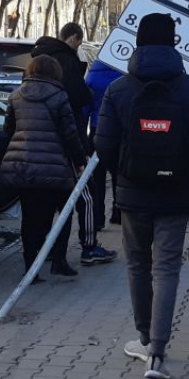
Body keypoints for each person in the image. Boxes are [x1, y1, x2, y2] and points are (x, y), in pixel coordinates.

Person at [95, 13, 189, 379]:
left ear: (138, 42)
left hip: (133, 194)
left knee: (137, 266)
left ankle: (144, 338)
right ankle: (158, 353)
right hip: (178, 194)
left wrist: (126, 170)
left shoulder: (119, 89)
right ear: (174, 44)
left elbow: (102, 145)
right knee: (167, 268)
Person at [32, 22, 117, 266]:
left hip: (36, 154)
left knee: (43, 206)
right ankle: (88, 248)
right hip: (63, 150)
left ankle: (41, 254)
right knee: (84, 196)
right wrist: (80, 157)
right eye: (79, 42)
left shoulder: (23, 90)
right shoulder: (65, 76)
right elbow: (74, 115)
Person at [0, 55, 87, 278]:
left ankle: (31, 267)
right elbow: (69, 133)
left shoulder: (16, 95)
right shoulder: (59, 96)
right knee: (64, 213)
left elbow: (8, 129)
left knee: (30, 218)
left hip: (23, 166)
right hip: (54, 166)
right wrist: (79, 161)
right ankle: (58, 260)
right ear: (55, 72)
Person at [84, 59, 123, 229]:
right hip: (118, 129)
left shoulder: (92, 76)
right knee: (119, 174)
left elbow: (85, 106)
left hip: (97, 127)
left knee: (97, 177)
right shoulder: (123, 74)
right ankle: (118, 212)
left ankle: (98, 217)